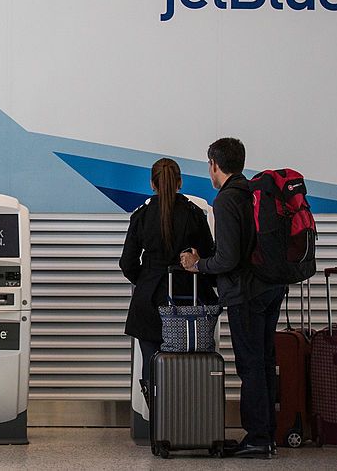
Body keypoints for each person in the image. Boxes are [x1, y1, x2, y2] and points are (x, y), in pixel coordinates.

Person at [181, 138, 285, 459]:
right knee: (265, 362)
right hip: (271, 287)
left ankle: (256, 437)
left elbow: (227, 258)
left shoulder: (226, 200)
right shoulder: (252, 192)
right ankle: (266, 435)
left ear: (214, 164)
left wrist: (197, 264)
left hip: (246, 294)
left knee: (250, 364)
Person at [119, 157, 217, 407]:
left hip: (150, 300)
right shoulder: (195, 214)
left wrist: (146, 281)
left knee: (152, 363)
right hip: (189, 300)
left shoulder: (141, 216)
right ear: (180, 182)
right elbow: (209, 254)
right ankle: (190, 421)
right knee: (191, 361)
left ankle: (159, 425)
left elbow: (127, 262)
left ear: (152, 184)